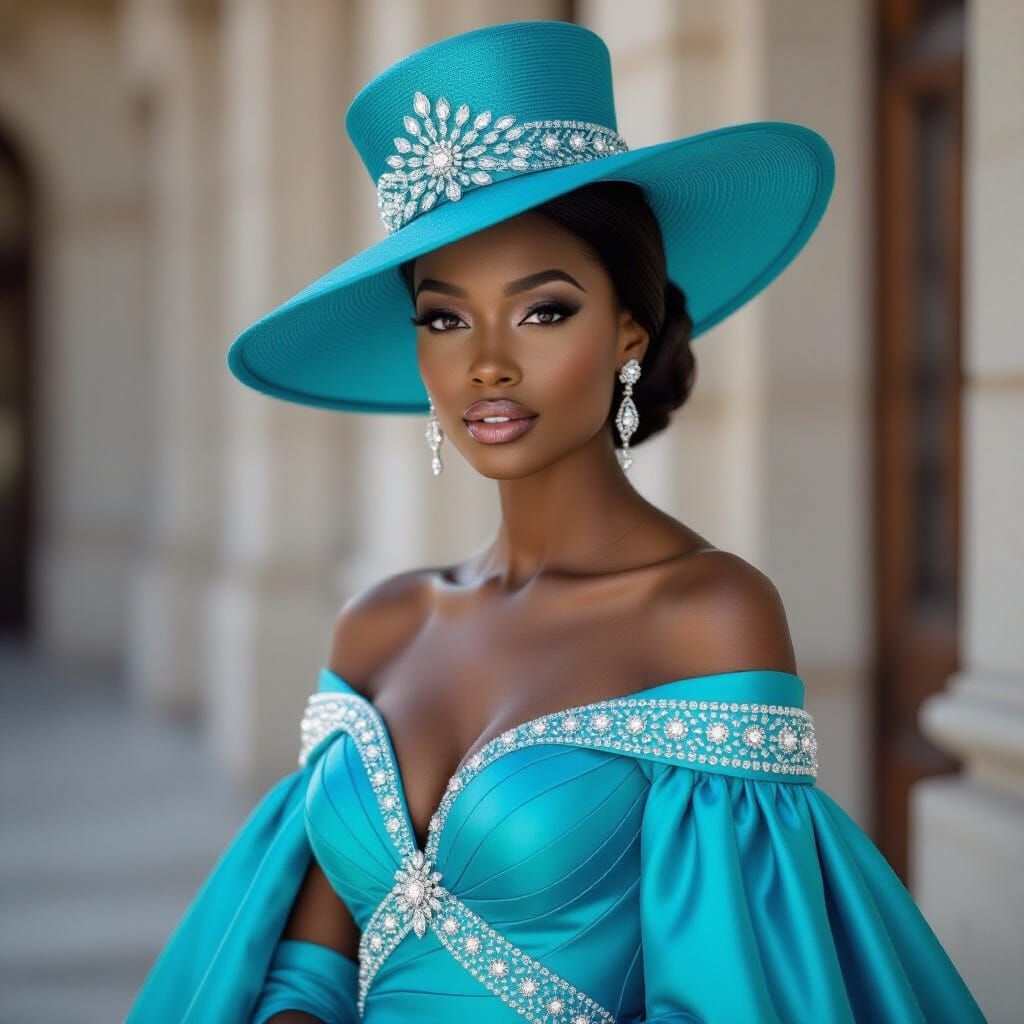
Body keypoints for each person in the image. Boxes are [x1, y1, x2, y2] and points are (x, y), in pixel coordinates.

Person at [126, 19, 988, 1024]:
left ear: (630, 325)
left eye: (542, 310)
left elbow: (722, 995)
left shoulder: (705, 616)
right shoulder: (378, 625)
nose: (486, 361)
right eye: (445, 317)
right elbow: (309, 965)